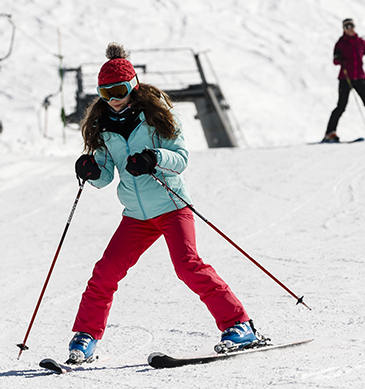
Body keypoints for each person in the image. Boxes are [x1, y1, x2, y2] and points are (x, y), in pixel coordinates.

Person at [68, 43, 266, 364]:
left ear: (132, 86)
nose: (113, 100)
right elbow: (104, 176)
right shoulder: (103, 126)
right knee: (105, 273)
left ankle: (240, 326)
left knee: (188, 266)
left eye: (118, 90)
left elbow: (181, 158)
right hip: (136, 215)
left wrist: (154, 158)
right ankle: (86, 336)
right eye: (105, 93)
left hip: (172, 206)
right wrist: (90, 169)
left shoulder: (158, 115)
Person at [324, 18, 365, 142]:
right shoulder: (340, 43)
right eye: (346, 27)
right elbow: (335, 61)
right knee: (341, 106)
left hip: (360, 78)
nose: (349, 29)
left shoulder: (361, 42)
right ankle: (330, 132)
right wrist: (337, 57)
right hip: (345, 78)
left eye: (351, 26)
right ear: (343, 29)